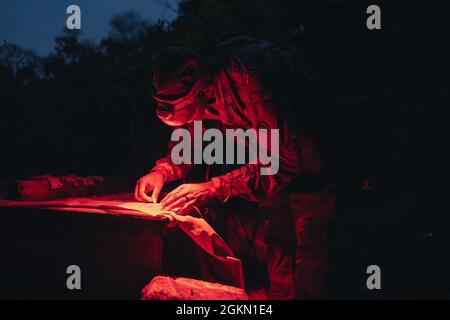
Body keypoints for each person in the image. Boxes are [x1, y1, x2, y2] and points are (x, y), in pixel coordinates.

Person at [135, 36, 335, 299]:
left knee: (308, 259)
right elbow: (195, 135)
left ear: (199, 93)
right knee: (278, 251)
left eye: (182, 112)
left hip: (310, 167)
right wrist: (163, 170)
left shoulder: (249, 79)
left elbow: (284, 161)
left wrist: (214, 187)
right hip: (272, 170)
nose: (188, 125)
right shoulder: (203, 88)